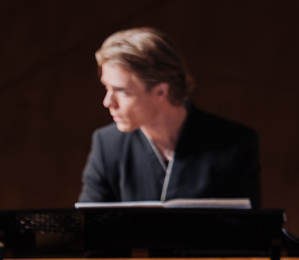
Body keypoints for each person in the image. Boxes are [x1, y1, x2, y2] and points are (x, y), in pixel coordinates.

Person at [78, 27, 261, 207]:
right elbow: (87, 222)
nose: (107, 102)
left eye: (121, 91)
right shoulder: (107, 144)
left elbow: (246, 225)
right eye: (106, 88)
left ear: (161, 90)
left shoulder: (235, 144)